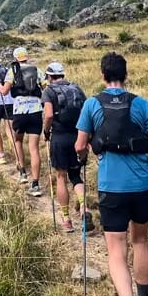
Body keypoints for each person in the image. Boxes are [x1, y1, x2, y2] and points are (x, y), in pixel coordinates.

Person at [75, 52, 148, 296]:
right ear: (125, 75)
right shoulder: (141, 104)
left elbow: (80, 145)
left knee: (116, 249)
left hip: (110, 187)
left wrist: (83, 156)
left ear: (102, 75)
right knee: (140, 241)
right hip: (141, 184)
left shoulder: (92, 105)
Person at [41, 61, 88, 233]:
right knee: (76, 175)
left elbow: (48, 115)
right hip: (78, 136)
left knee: (61, 177)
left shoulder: (48, 91)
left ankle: (67, 219)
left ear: (50, 76)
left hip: (59, 138)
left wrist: (46, 132)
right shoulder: (77, 89)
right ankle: (84, 207)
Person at [0, 46, 42, 195]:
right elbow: (46, 88)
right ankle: (36, 184)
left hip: (20, 111)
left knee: (18, 141)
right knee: (34, 148)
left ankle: (23, 173)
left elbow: (4, 91)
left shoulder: (13, 71)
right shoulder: (37, 70)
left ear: (16, 58)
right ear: (27, 56)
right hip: (36, 110)